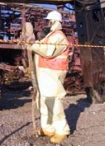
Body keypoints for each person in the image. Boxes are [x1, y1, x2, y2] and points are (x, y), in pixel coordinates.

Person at [30, 10, 70, 144]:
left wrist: (33, 44)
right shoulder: (49, 36)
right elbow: (40, 47)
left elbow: (48, 51)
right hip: (45, 72)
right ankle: (48, 128)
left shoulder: (59, 36)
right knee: (43, 101)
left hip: (53, 72)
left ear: (53, 22)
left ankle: (62, 130)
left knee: (53, 102)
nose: (46, 23)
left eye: (48, 21)